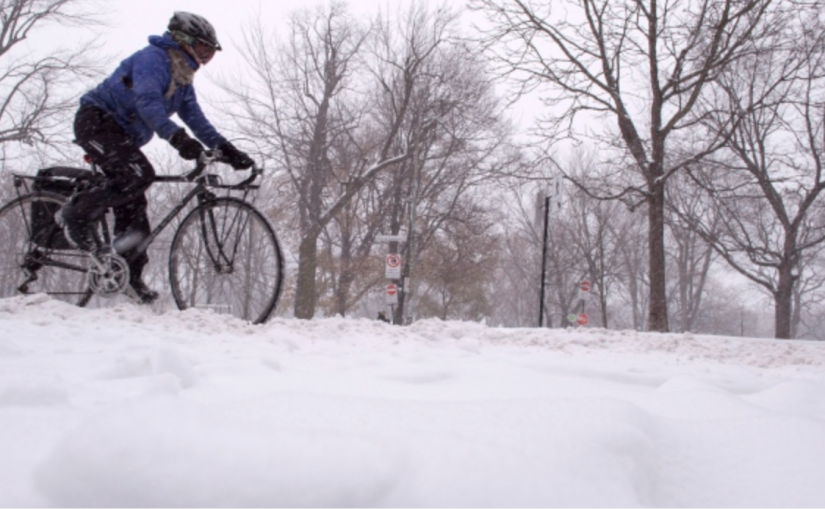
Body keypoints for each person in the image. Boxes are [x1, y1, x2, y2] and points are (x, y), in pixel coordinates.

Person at [61, 12, 254, 304]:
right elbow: (148, 103)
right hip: (97, 122)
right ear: (184, 42)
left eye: (210, 55)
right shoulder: (154, 60)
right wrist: (177, 138)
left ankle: (130, 275)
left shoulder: (182, 77)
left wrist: (227, 150)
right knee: (139, 175)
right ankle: (74, 215)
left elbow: (196, 118)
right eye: (203, 50)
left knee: (135, 201)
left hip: (121, 134)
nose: (204, 59)